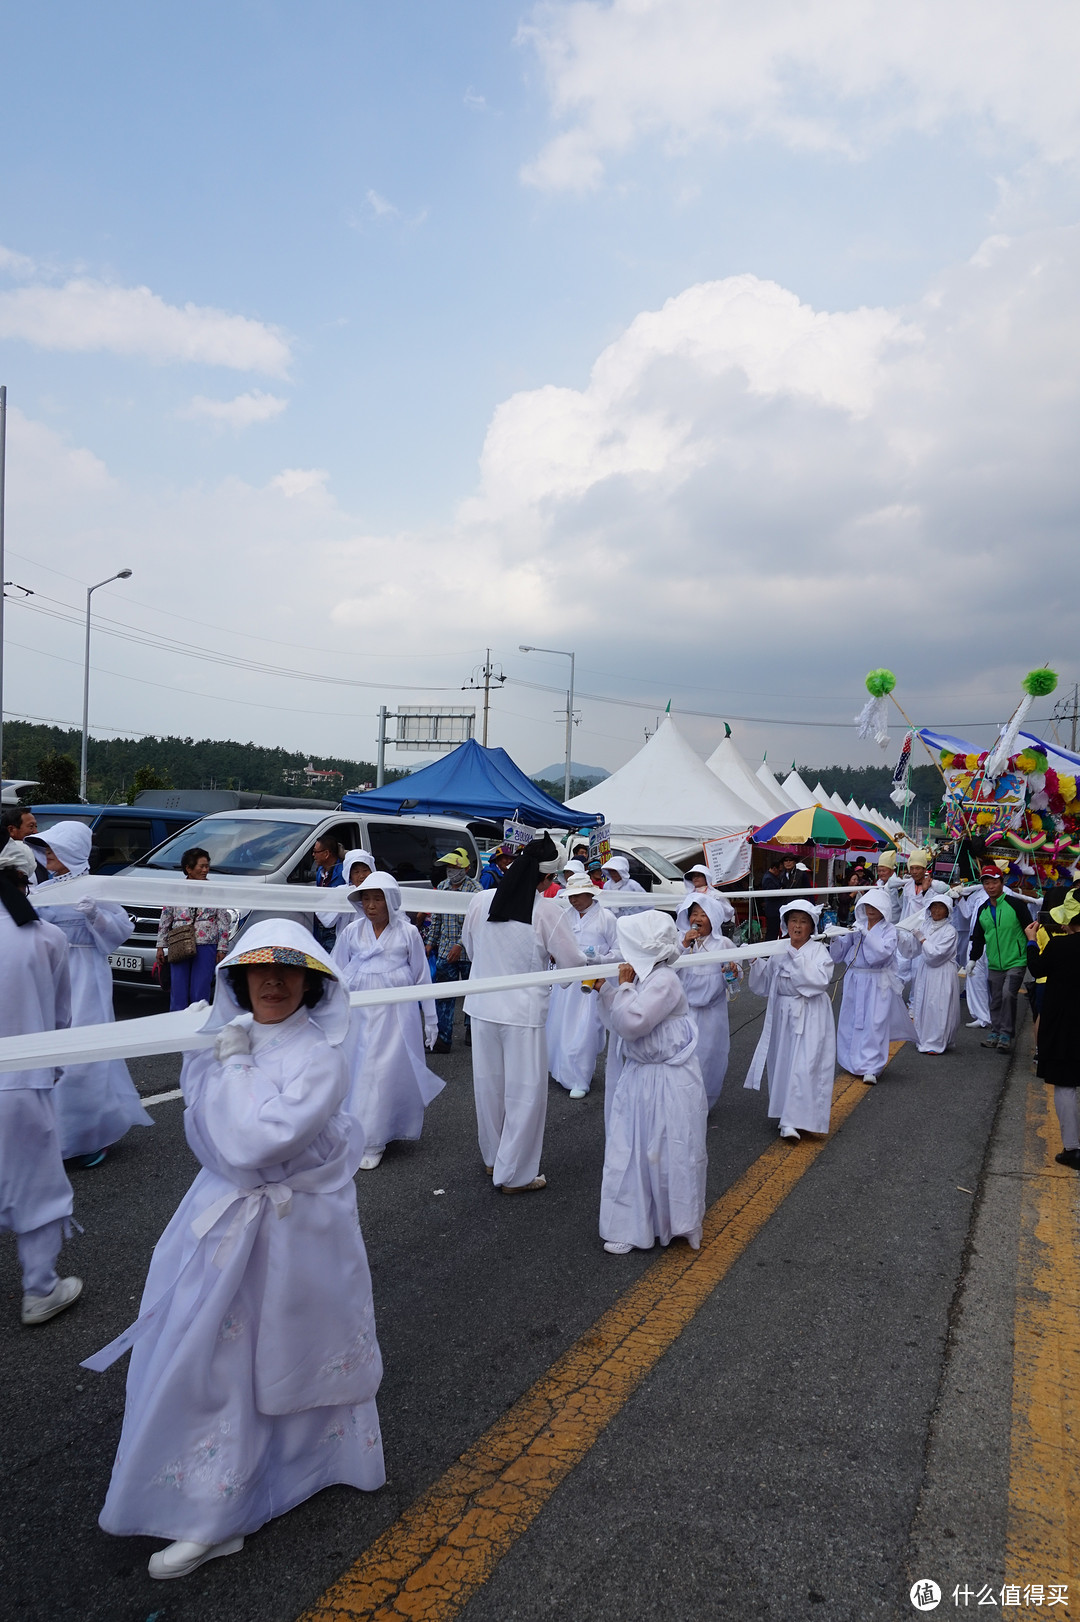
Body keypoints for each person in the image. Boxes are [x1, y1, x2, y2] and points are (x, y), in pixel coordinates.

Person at [85, 920, 385, 1580]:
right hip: (223, 1222)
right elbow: (209, 1137)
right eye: (258, 969)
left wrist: (235, 1065)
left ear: (312, 981)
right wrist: (228, 1067)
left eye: (288, 969)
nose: (273, 981)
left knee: (266, 1363)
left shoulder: (319, 1057)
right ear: (237, 978)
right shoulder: (226, 1043)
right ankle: (210, 1506)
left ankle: (234, 1505)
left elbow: (251, 1141)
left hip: (291, 1234)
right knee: (208, 1361)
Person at [461, 835, 585, 1192]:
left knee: (489, 1088)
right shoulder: (548, 911)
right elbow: (573, 962)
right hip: (522, 1012)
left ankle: (493, 1159)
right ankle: (514, 1173)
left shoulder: (481, 900)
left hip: (482, 1006)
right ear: (546, 880)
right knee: (525, 1092)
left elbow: (472, 947)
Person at [28, 821, 153, 1166]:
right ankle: (53, 1135)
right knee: (50, 1054)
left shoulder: (96, 888)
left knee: (83, 1059)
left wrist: (96, 915)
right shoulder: (41, 889)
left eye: (54, 847)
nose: (47, 854)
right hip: (51, 974)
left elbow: (119, 933)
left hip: (86, 977)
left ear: (72, 851)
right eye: (45, 848)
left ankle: (87, 1136)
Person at [0, 840, 82, 1326]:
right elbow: (60, 1016)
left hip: (23, 1079)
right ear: (26, 880)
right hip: (22, 1082)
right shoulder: (44, 936)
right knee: (36, 1188)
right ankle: (40, 1288)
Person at [595, 911, 708, 1255]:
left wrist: (623, 986)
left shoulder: (664, 980)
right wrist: (606, 990)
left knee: (667, 1150)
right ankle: (630, 1225)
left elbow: (633, 1021)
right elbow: (623, 1012)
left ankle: (673, 1221)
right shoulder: (647, 977)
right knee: (629, 1149)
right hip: (641, 1076)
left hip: (670, 1080)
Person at [332, 871, 441, 1169]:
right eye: (366, 898)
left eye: (377, 898)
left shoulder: (408, 933)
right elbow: (335, 973)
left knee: (383, 1071)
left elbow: (422, 976)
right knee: (359, 1069)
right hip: (359, 1013)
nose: (370, 905)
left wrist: (430, 1019)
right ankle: (355, 1130)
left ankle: (375, 1136)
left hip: (396, 1014)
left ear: (390, 901)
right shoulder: (351, 932)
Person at [744, 901, 836, 1141]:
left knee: (805, 1065)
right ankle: (786, 1114)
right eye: (793, 920)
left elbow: (818, 981)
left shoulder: (818, 952)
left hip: (810, 1014)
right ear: (786, 924)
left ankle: (795, 1120)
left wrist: (795, 959)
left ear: (811, 926)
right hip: (783, 1014)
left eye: (803, 921)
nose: (797, 926)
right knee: (783, 1063)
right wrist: (755, 962)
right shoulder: (779, 948)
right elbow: (765, 984)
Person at [546, 873, 619, 1099]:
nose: (574, 900)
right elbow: (553, 944)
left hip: (592, 983)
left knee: (586, 1029)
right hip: (567, 981)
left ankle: (580, 1077)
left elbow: (619, 952)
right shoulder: (564, 916)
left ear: (590, 893)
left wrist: (598, 958)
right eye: (571, 896)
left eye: (578, 895)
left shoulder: (607, 918)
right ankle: (560, 1070)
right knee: (559, 1025)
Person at [827, 898, 913, 1084]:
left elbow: (880, 955)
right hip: (855, 979)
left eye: (875, 905)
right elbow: (839, 954)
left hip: (876, 981)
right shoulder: (857, 926)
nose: (871, 909)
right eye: (867, 905)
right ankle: (850, 1061)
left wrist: (867, 935)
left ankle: (871, 1067)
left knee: (874, 1023)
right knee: (850, 1020)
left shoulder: (890, 930)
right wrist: (834, 937)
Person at [1024, 898, 1080, 1170]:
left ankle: (1072, 1148)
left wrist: (1032, 940)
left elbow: (1036, 969)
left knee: (1066, 1084)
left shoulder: (1059, 945)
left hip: (1064, 1024)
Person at [676, 891, 740, 1106]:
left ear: (713, 918)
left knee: (710, 1057)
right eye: (694, 914)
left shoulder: (723, 944)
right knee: (684, 1058)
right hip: (685, 1012)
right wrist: (684, 945)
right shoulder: (680, 941)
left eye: (703, 914)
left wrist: (733, 970)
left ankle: (705, 1102)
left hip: (713, 1014)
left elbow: (736, 978)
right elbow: (668, 967)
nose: (697, 919)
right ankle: (683, 1101)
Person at [155, 846, 233, 1010]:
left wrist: (222, 948)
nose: (206, 870)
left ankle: (197, 1025)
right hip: (179, 943)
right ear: (188, 869)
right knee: (178, 989)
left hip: (207, 945)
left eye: (207, 866)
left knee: (201, 989)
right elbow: (166, 918)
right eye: (201, 866)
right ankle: (176, 1025)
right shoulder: (175, 890)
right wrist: (160, 946)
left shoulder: (215, 891)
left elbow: (223, 920)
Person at [970, 866, 1035, 1054]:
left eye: (994, 882)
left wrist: (1032, 952)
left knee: (1008, 994)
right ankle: (996, 1032)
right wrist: (973, 959)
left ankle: (1006, 1034)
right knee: (996, 999)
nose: (990, 886)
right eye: (987, 883)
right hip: (994, 962)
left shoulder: (1016, 905)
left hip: (1016, 960)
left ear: (1002, 882)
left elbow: (1030, 928)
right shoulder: (983, 909)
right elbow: (978, 936)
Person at [426, 851, 481, 1053]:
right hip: (444, 951)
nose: (451, 872)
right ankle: (443, 1038)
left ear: (466, 869)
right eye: (449, 868)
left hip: (468, 952)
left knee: (472, 994)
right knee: (444, 994)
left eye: (456, 868)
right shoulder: (442, 887)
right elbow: (436, 919)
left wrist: (460, 944)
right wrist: (430, 942)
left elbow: (474, 923)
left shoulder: (476, 890)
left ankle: (471, 1030)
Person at [898, 897, 961, 1055]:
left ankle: (937, 1042)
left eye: (941, 907)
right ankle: (923, 1038)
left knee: (938, 1006)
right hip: (926, 971)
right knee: (924, 1004)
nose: (936, 911)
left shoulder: (950, 931)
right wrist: (901, 936)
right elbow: (912, 949)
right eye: (934, 907)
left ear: (947, 911)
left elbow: (936, 955)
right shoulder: (925, 925)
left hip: (942, 972)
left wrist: (922, 939)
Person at [311, 836, 345, 953]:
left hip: (334, 929)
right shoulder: (319, 872)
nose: (313, 855)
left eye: (316, 852)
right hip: (320, 926)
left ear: (326, 854)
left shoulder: (344, 872)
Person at [759, 854, 784, 940]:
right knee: (772, 932)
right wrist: (780, 891)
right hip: (772, 909)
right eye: (779, 870)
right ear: (774, 868)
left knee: (774, 931)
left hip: (775, 909)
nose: (780, 873)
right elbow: (772, 894)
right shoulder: (768, 878)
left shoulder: (772, 877)